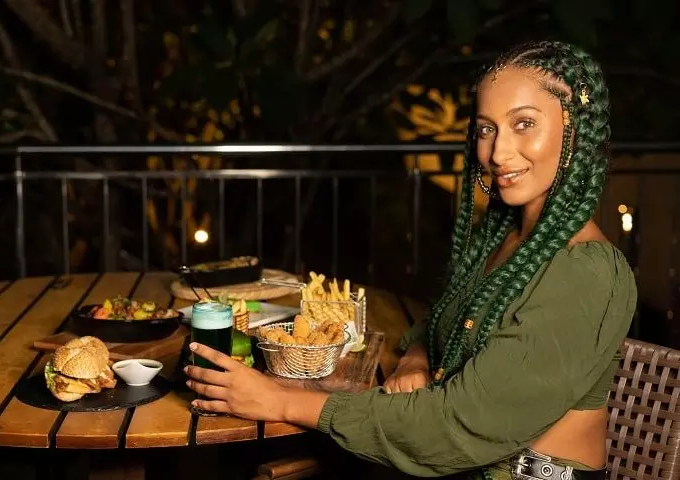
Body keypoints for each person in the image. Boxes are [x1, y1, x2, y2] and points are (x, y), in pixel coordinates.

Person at [183, 40, 637, 480]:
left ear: (576, 131)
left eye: (524, 123)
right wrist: (416, 360)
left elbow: (455, 426)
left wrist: (280, 401)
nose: (497, 153)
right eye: (486, 129)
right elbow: (441, 321)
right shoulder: (506, 237)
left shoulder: (585, 271)